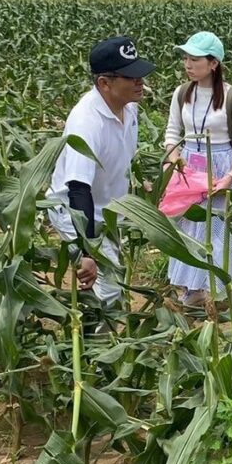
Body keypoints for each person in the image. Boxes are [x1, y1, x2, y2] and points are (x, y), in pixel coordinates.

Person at [46, 36, 155, 305]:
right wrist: (86, 250)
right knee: (108, 291)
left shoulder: (129, 109)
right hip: (77, 214)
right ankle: (93, 341)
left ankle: (89, 332)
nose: (139, 81)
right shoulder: (86, 122)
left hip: (107, 212)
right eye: (130, 77)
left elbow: (119, 157)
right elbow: (78, 188)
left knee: (106, 286)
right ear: (104, 83)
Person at [163, 31, 232, 314]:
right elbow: (172, 132)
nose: (187, 64)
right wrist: (175, 159)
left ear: (213, 63)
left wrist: (230, 177)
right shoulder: (182, 94)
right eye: (186, 58)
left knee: (229, 227)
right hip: (190, 167)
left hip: (222, 167)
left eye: (194, 59)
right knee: (193, 227)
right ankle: (194, 289)